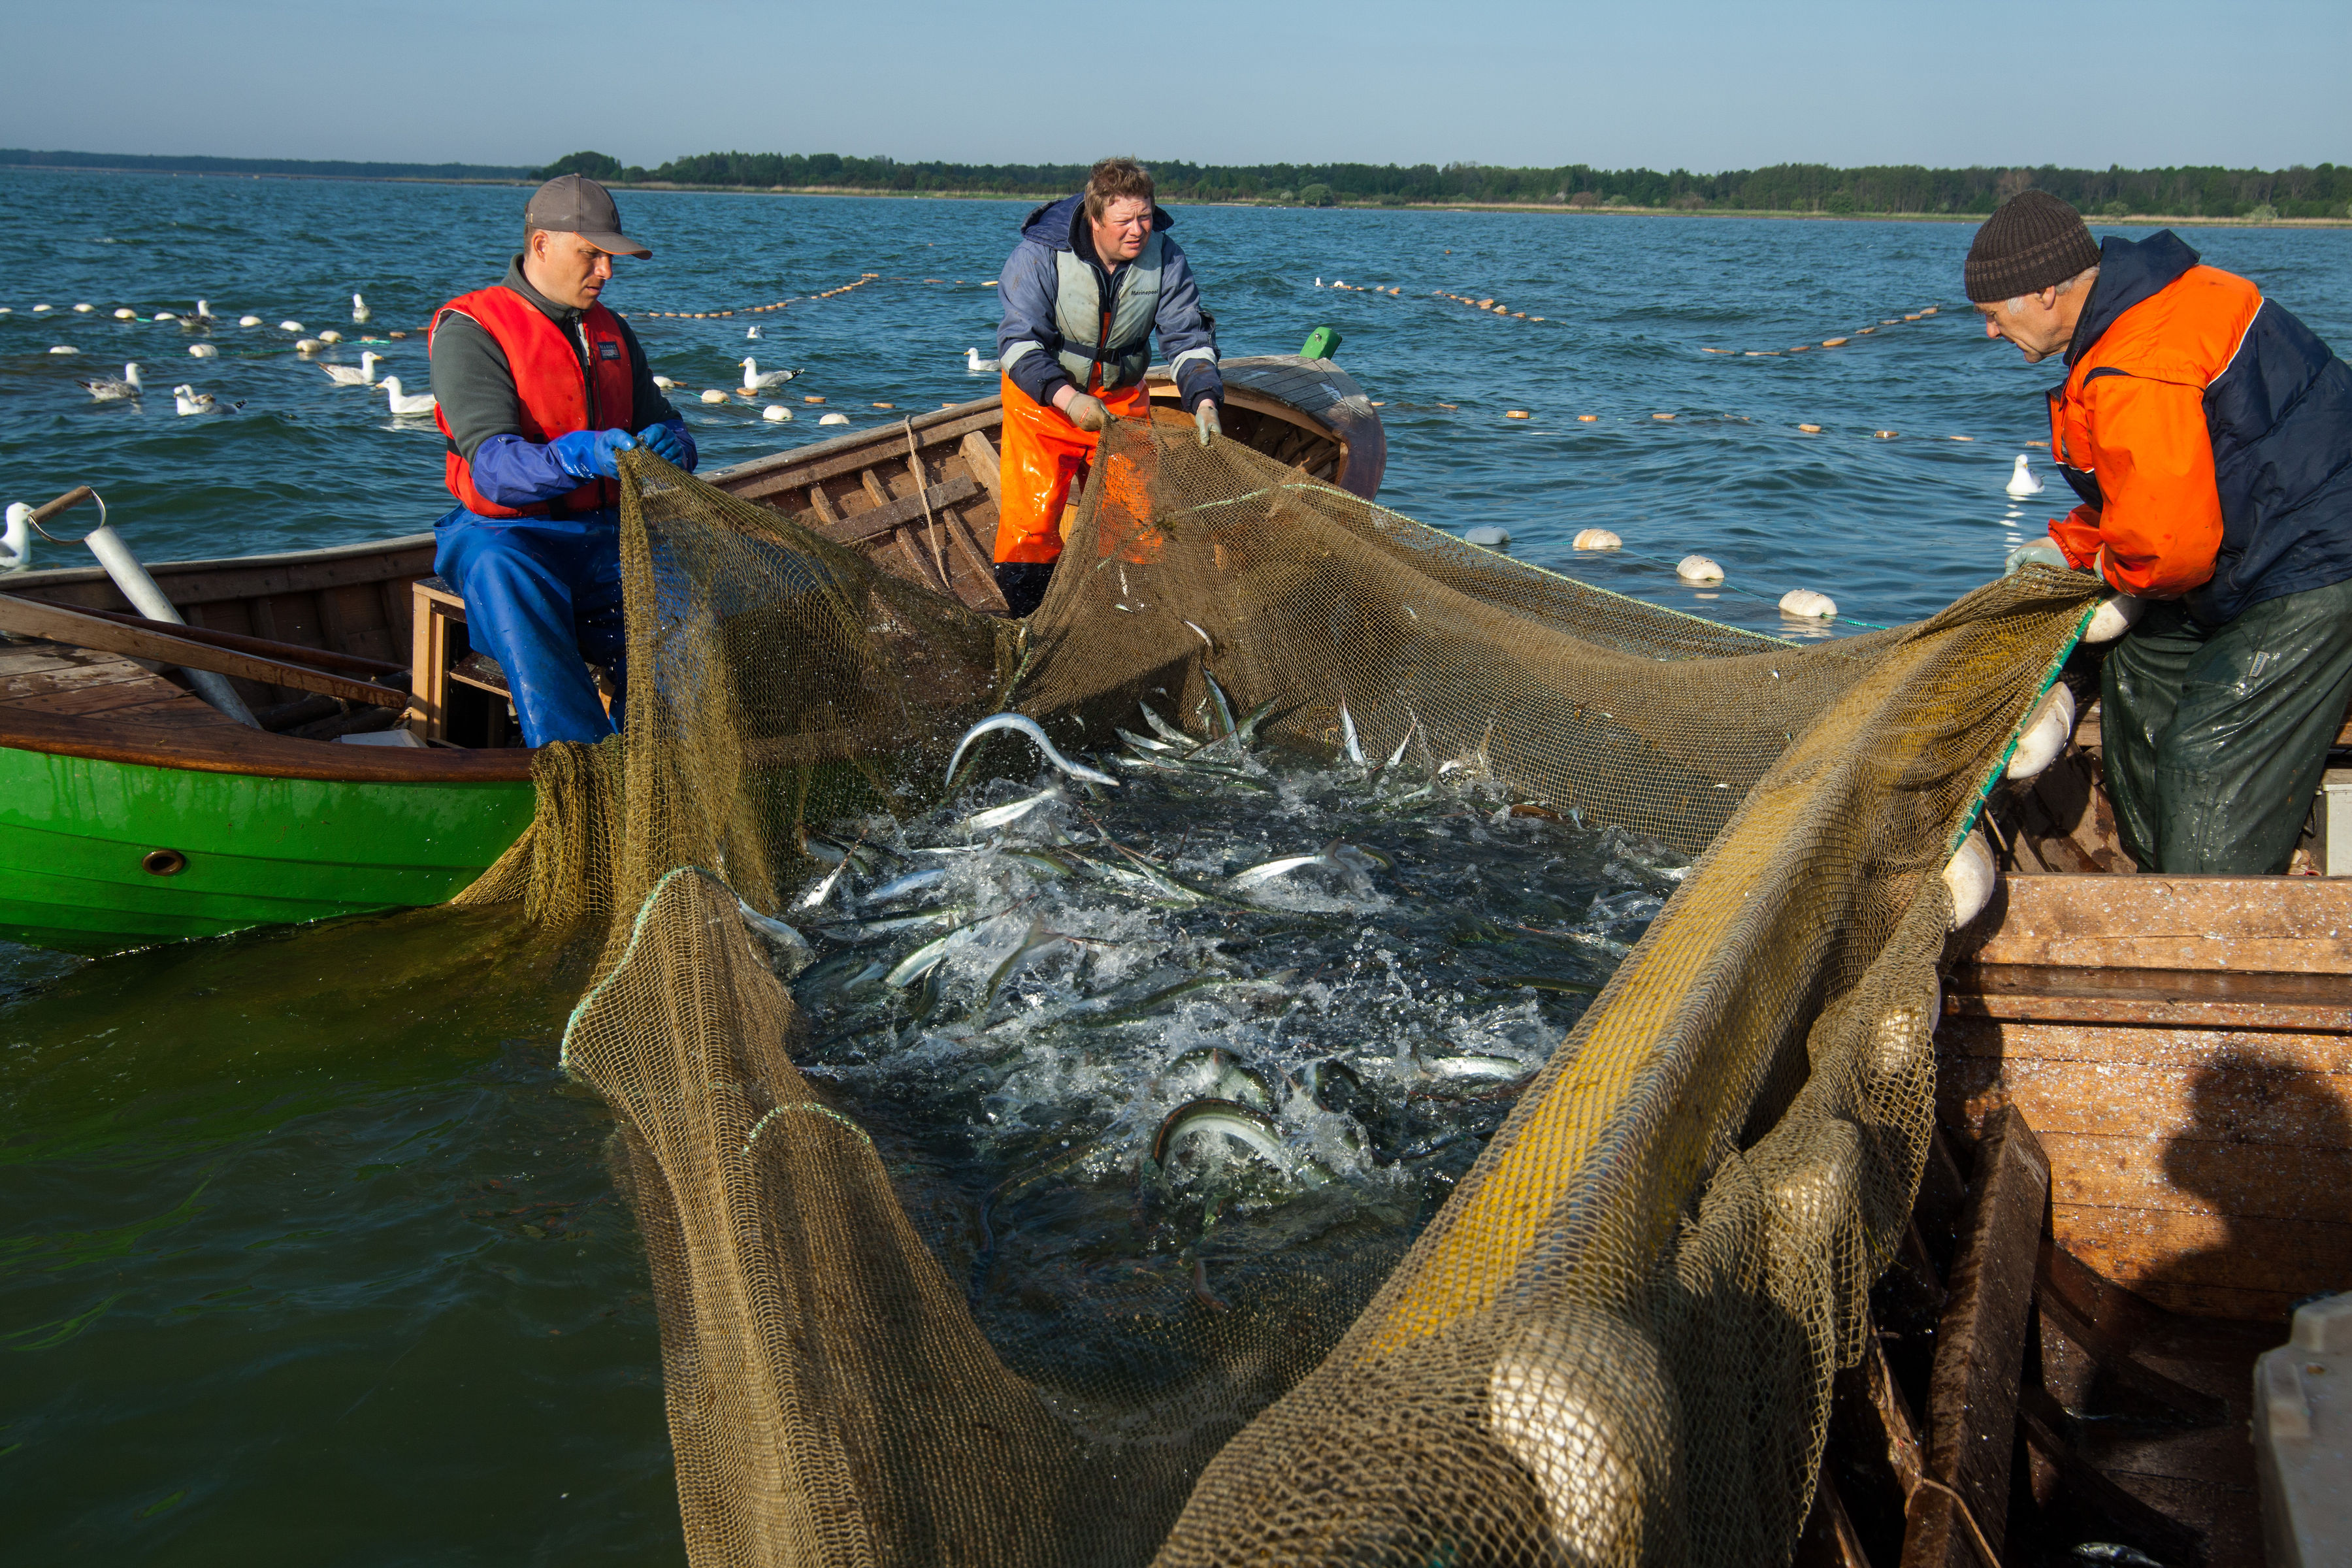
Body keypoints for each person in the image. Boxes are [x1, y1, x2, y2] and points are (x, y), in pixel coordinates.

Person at [1969, 190, 2352, 874]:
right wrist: (2075, 545)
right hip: (2249, 550)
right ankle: (2160, 873)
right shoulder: (2138, 313)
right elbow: (2162, 481)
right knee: (2138, 675)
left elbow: (2168, 550)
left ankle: (2202, 922)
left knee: (2206, 754)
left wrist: (2099, 568)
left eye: (1997, 314)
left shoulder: (2136, 361)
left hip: (2316, 563)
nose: (1992, 332)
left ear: (2047, 291)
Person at [429, 173, 696, 747]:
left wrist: (676, 444)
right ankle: (580, 764)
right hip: (510, 538)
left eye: (610, 258)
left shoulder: (613, 331)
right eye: (592, 255)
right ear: (542, 244)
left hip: (608, 535)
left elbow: (668, 420)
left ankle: (654, 751)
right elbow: (493, 470)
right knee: (504, 573)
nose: (607, 272)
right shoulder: (471, 329)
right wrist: (580, 456)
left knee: (689, 605)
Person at [990, 157, 1224, 615]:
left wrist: (1206, 401)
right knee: (1030, 529)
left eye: (1145, 217)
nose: (1138, 230)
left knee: (1136, 528)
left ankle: (1121, 622)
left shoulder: (1167, 257)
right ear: (1095, 220)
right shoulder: (1038, 255)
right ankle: (1032, 624)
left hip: (1121, 406)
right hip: (1044, 407)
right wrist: (1070, 400)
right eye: (1125, 221)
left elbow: (1189, 340)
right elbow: (1017, 345)